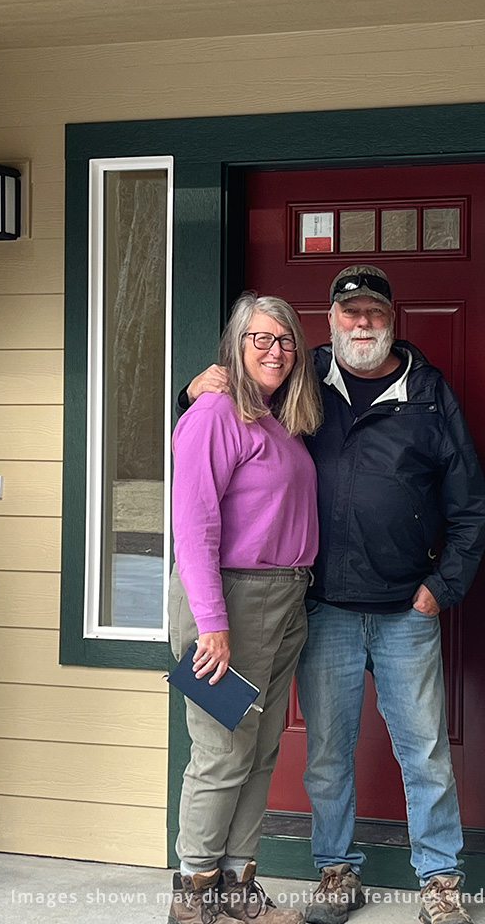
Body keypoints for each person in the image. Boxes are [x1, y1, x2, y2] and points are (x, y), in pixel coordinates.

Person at [184, 265, 485, 924]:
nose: (361, 323)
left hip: (407, 608)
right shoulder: (298, 380)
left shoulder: (429, 394)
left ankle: (439, 880)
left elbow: (471, 504)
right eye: (348, 312)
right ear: (330, 320)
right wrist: (193, 387)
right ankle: (333, 871)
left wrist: (442, 588)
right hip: (320, 607)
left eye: (373, 312)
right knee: (317, 752)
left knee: (424, 751)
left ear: (392, 319)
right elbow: (215, 442)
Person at [169, 292, 323, 924]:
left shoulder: (279, 419)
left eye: (285, 340)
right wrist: (212, 624)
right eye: (261, 338)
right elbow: (194, 524)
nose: (275, 351)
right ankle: (194, 897)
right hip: (228, 599)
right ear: (236, 345)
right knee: (222, 750)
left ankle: (238, 888)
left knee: (258, 750)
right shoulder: (214, 413)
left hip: (283, 598)